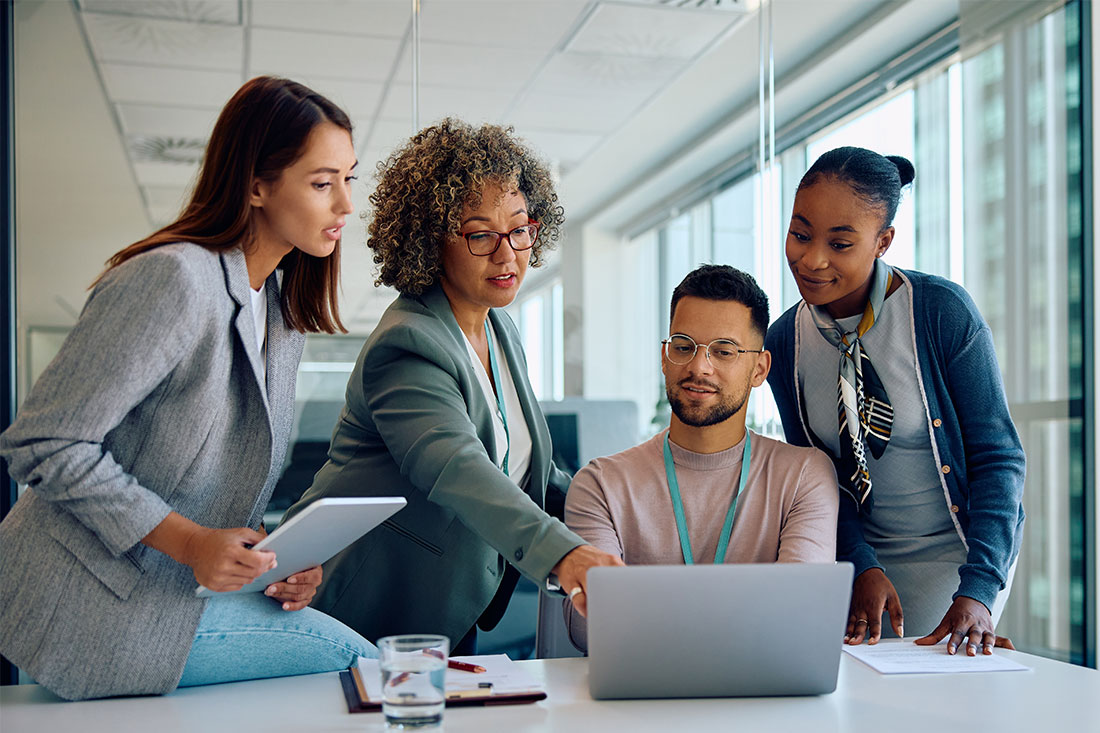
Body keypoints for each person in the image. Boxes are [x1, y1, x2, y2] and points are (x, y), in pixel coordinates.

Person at [0, 76, 376, 701]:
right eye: (321, 182)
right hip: (94, 601)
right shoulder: (173, 280)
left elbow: (221, 488)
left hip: (169, 593)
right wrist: (191, 542)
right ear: (256, 184)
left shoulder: (281, 312)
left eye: (348, 178)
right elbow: (44, 442)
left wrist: (271, 568)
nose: (345, 205)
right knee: (353, 662)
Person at [283, 119, 623, 654]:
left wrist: (616, 513)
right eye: (481, 233)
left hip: (450, 601)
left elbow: (526, 467)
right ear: (430, 239)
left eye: (519, 229)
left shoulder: (498, 327)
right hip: (367, 610)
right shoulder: (408, 343)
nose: (508, 253)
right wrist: (562, 554)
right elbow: (458, 466)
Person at [765, 147, 1025, 656]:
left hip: (961, 552)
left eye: (840, 243)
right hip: (864, 555)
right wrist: (862, 563)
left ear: (883, 241)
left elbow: (1000, 458)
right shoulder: (784, 342)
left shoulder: (940, 313)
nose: (812, 259)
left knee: (934, 684)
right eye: (800, 234)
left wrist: (979, 589)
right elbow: (819, 476)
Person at [563, 265, 839, 651]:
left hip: (763, 700)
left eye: (724, 351)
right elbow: (591, 628)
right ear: (665, 356)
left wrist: (645, 611)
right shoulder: (601, 484)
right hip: (638, 701)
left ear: (759, 369)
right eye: (683, 346)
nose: (698, 366)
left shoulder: (803, 476)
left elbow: (797, 616)